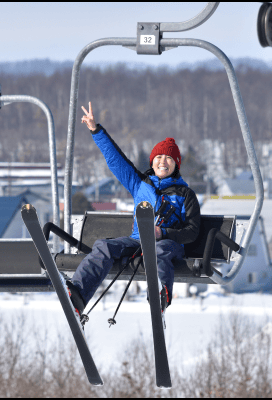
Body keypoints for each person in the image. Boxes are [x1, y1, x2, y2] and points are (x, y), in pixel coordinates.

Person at [66, 102, 201, 321]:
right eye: (158, 157)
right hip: (138, 241)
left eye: (168, 158)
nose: (162, 161)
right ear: (152, 161)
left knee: (159, 253)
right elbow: (116, 160)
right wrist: (95, 130)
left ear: (176, 164)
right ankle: (78, 295)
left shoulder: (186, 194)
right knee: (104, 246)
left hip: (168, 244)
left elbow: (192, 231)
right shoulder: (140, 184)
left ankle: (158, 298)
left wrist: (164, 234)